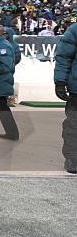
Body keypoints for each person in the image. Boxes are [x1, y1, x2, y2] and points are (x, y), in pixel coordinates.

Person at [54, 14, 77, 174]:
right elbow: (64, 57)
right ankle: (72, 159)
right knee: (73, 125)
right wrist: (60, 81)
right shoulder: (75, 30)